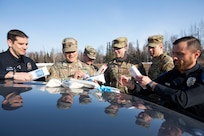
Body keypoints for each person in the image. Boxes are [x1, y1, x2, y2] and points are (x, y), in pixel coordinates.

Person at [120, 36, 204, 122]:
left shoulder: (201, 75)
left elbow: (183, 99)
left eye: (180, 54)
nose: (174, 58)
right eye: (173, 54)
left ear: (196, 54)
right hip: (170, 123)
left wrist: (152, 84)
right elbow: (147, 89)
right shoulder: (171, 74)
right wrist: (131, 85)